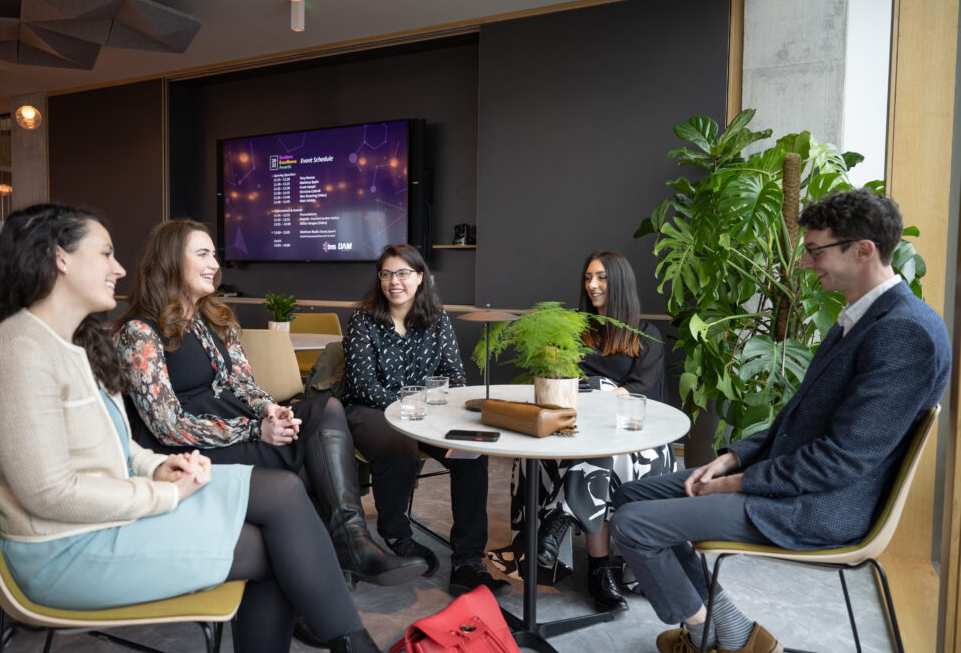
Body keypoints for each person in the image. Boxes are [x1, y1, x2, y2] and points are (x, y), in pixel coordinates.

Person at [0, 204, 380, 652]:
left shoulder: (71, 343)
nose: (118, 269)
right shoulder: (19, 353)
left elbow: (119, 445)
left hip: (107, 519)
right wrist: (164, 494)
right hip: (66, 550)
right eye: (105, 254)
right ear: (60, 257)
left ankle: (351, 634)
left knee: (285, 499)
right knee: (280, 530)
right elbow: (48, 494)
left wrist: (157, 467)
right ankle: (352, 635)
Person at [610, 189, 951, 653]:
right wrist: (732, 459)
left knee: (634, 526)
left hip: (820, 504)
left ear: (863, 249)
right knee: (631, 495)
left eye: (815, 252)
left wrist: (740, 483)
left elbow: (841, 460)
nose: (807, 265)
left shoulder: (903, 332)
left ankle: (715, 635)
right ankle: (728, 632)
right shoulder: (863, 317)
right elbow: (795, 420)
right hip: (791, 479)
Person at [114, 220, 425, 590]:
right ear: (169, 262)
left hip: (238, 426)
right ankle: (334, 567)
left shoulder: (214, 319)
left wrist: (268, 410)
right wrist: (254, 428)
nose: (215, 263)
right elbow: (166, 424)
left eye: (214, 254)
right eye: (202, 254)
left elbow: (243, 384)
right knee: (314, 461)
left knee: (325, 410)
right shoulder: (140, 332)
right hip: (187, 449)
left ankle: (350, 545)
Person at [489, 251, 676, 612]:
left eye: (602, 277)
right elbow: (553, 380)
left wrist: (600, 392)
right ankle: (598, 569)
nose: (592, 285)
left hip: (628, 433)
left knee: (602, 452)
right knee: (592, 454)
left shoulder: (646, 334)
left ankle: (568, 524)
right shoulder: (571, 329)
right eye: (588, 277)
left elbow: (640, 391)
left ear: (620, 282)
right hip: (572, 422)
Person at [341, 244, 510, 597]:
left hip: (428, 413)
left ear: (420, 278)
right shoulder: (363, 319)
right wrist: (411, 408)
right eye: (386, 274)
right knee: (399, 447)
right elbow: (363, 384)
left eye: (402, 273)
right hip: (370, 411)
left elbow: (453, 376)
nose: (393, 281)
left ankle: (467, 561)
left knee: (471, 453)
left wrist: (429, 410)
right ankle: (396, 534)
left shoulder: (437, 318)